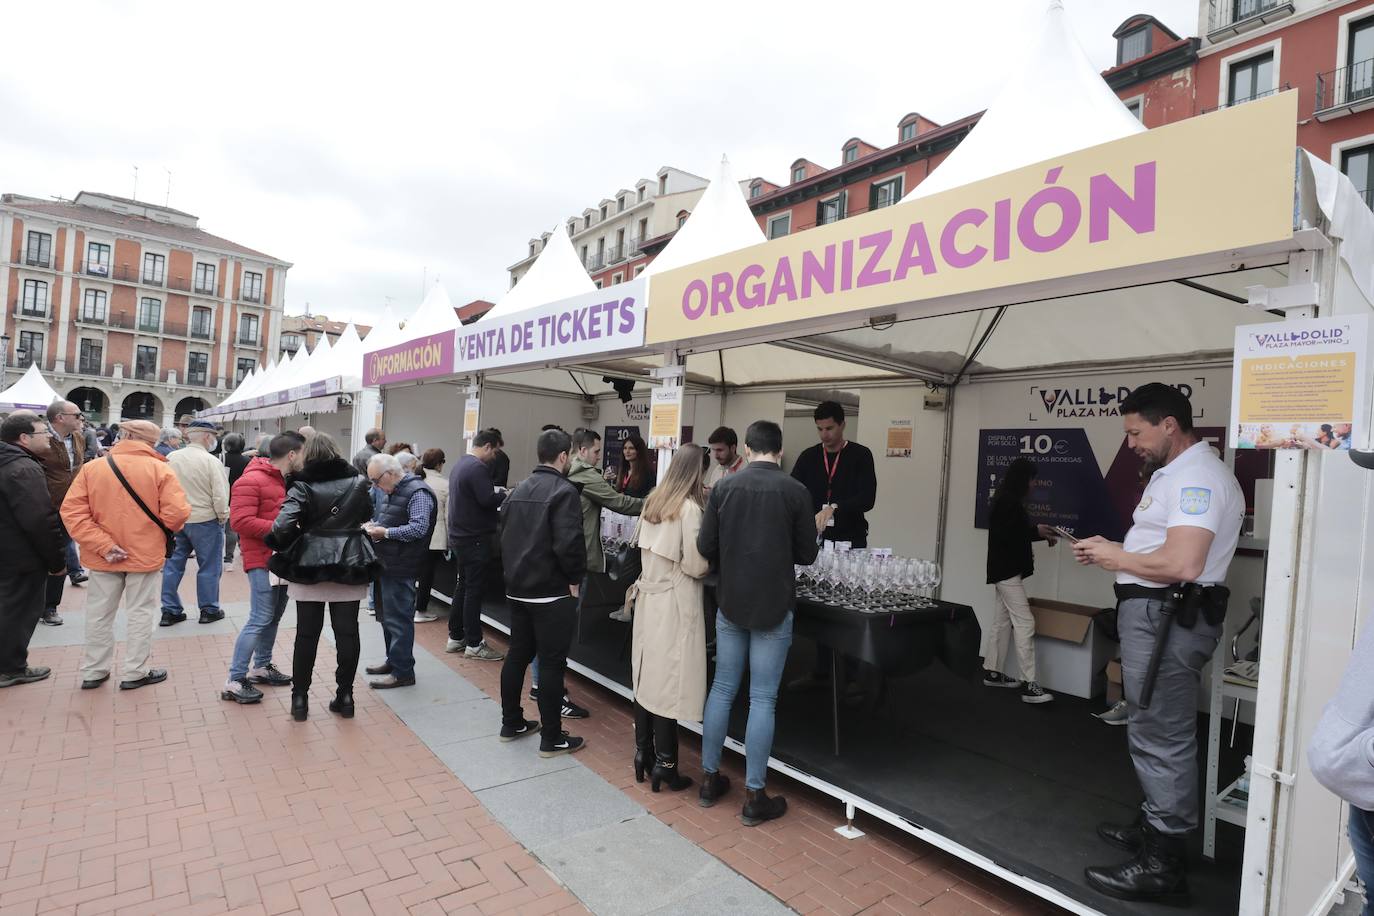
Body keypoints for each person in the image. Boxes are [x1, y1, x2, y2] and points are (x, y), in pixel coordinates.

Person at [1073, 383, 1244, 903]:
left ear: (1169, 423)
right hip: (1156, 614)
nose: (1131, 444)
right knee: (1151, 725)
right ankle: (1155, 829)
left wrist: (1117, 559)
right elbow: (1162, 548)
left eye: (1135, 432)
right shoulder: (1179, 475)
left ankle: (1163, 866)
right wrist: (1115, 550)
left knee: (1161, 732)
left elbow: (1183, 564)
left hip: (1169, 617)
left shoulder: (1199, 479)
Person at [698, 420, 822, 825]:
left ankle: (709, 778)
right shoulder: (796, 491)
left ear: (747, 450)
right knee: (763, 698)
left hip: (730, 601)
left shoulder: (724, 487)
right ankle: (754, 794)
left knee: (722, 688)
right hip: (774, 603)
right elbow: (806, 555)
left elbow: (705, 547)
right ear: (780, 452)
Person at [63, 420, 191, 691]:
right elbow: (177, 513)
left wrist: (103, 544)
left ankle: (95, 670)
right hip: (144, 552)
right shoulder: (160, 469)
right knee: (141, 613)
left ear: (127, 436)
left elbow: (72, 513)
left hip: (103, 556)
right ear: (150, 441)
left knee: (99, 613)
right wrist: (155, 530)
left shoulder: (93, 468)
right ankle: (135, 670)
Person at [267, 433, 374, 721]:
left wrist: (284, 542)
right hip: (351, 561)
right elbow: (367, 513)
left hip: (309, 563)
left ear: (308, 454)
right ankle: (346, 696)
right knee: (348, 633)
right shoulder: (359, 482)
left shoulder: (302, 484)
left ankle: (299, 700)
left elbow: (281, 525)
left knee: (306, 634)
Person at [541, 428, 645, 717]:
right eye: (597, 451)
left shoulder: (562, 472)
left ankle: (543, 685)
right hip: (578, 558)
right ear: (582, 451)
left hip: (558, 557)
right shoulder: (585, 474)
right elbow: (619, 502)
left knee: (550, 628)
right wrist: (653, 504)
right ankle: (552, 692)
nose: (600, 455)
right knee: (561, 630)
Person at [497, 428, 587, 756]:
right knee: (551, 663)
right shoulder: (564, 492)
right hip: (551, 592)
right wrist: (574, 577)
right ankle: (552, 736)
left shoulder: (517, 489)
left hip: (517, 588)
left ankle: (512, 722)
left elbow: (503, 536)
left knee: (517, 654)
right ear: (564, 457)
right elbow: (569, 543)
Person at [632, 444, 710, 792]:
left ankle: (642, 752)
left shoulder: (653, 500)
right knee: (667, 682)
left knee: (646, 677)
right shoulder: (690, 509)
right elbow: (696, 565)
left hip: (648, 598)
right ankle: (666, 763)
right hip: (674, 601)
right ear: (697, 472)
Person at [788, 401, 877, 691]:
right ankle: (822, 669)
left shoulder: (861, 455)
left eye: (829, 428)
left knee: (849, 607)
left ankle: (853, 676)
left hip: (850, 542)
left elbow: (868, 498)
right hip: (818, 542)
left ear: (842, 425)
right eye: (820, 429)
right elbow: (794, 491)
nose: (824, 435)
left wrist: (836, 507)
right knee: (820, 605)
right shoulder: (808, 457)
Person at [221, 432, 304, 705]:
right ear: (292, 454)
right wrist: (283, 528)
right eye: (302, 453)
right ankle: (235, 679)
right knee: (260, 618)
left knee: (273, 616)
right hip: (262, 559)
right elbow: (241, 522)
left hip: (278, 559)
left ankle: (261, 666)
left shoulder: (280, 480)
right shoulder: (252, 479)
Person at [983, 457, 1060, 704]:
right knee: (1025, 622)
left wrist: (1036, 532)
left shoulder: (1006, 500)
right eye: (1031, 479)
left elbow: (1011, 533)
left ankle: (994, 672)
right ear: (1022, 479)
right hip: (1006, 572)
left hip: (1002, 570)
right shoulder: (1009, 502)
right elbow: (1010, 536)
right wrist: (1036, 532)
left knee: (1002, 621)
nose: (1034, 484)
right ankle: (1030, 683)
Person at [0, 412, 66, 688]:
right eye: (43, 433)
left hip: (9, 552)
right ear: (24, 438)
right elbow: (40, 519)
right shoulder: (23, 469)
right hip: (21, 556)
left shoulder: (11, 463)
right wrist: (57, 561)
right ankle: (11, 667)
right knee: (18, 611)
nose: (49, 437)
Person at [363, 452, 437, 688]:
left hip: (402, 566)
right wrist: (376, 527)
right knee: (388, 619)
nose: (375, 486)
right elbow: (392, 521)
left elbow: (418, 528)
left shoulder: (418, 492)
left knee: (399, 620)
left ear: (391, 473)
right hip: (387, 563)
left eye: (376, 480)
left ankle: (403, 671)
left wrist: (384, 532)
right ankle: (394, 661)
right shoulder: (393, 490)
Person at [445, 430, 508, 660]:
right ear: (488, 446)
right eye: (496, 451)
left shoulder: (460, 464)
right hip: (475, 537)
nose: (496, 456)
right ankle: (474, 643)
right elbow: (487, 499)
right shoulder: (478, 468)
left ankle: (455, 636)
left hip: (461, 536)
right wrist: (507, 495)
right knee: (474, 590)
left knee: (463, 586)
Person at [160, 420, 230, 626]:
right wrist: (223, 515)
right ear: (208, 437)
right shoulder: (210, 461)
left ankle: (170, 610)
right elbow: (219, 493)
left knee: (172, 565)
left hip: (177, 519)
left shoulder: (171, 457)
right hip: (205, 519)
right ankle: (208, 609)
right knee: (209, 566)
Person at [37, 401, 88, 627]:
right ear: (59, 418)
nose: (81, 418)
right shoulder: (40, 438)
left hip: (70, 506)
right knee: (40, 556)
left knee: (60, 556)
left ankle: (50, 607)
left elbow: (78, 467)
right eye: (77, 415)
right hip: (42, 506)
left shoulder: (78, 437)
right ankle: (35, 605)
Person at [415, 448, 450, 624]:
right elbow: (448, 515)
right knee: (427, 576)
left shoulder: (415, 479)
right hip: (435, 536)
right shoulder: (444, 484)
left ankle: (413, 607)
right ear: (439, 464)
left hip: (415, 534)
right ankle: (420, 610)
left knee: (416, 574)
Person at [221, 433, 251, 567]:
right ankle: (229, 559)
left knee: (217, 530)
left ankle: (217, 557)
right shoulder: (246, 461)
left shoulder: (220, 458)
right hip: (239, 497)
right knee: (232, 530)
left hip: (222, 496)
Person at [610, 435, 653, 499]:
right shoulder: (623, 471)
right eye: (625, 448)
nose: (627, 451)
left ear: (639, 451)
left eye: (631, 448)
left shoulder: (647, 473)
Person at [704, 426, 745, 491]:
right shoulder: (717, 470)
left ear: (733, 448)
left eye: (719, 450)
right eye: (713, 450)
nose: (716, 455)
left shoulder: (746, 470)